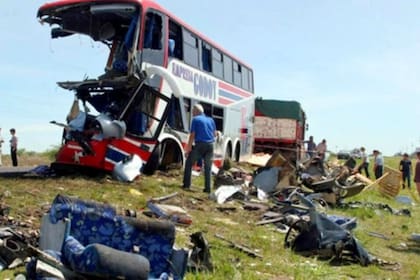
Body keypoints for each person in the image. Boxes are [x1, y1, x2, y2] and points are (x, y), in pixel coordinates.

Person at [182, 104, 217, 193]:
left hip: (201, 145)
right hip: (211, 145)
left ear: (197, 111)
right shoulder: (211, 120)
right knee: (208, 168)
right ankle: (207, 189)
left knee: (189, 162)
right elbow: (215, 134)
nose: (192, 113)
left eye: (193, 111)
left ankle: (186, 185)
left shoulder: (195, 120)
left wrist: (188, 148)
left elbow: (192, 135)